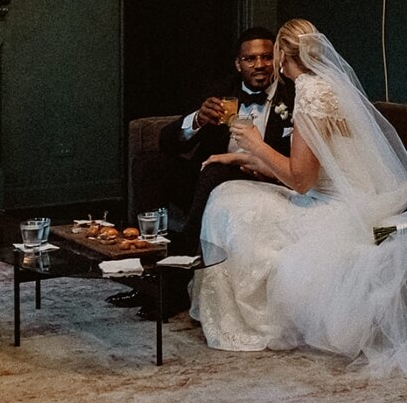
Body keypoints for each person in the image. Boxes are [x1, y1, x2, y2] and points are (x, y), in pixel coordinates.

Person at [189, 19, 407, 377]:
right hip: (352, 197)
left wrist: (255, 144)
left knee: (232, 206)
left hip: (330, 208)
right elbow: (317, 167)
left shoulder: (309, 95)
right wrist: (242, 157)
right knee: (232, 194)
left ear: (284, 56)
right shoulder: (329, 88)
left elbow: (301, 180)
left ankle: (246, 316)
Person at [114, 26, 295, 315]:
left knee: (215, 172)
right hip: (206, 182)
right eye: (250, 59)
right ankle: (146, 274)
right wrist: (197, 119)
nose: (259, 65)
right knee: (148, 165)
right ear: (238, 64)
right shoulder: (221, 91)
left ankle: (173, 284)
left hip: (261, 183)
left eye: (266, 57)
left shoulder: (295, 96)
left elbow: (295, 161)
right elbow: (167, 141)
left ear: (277, 58)